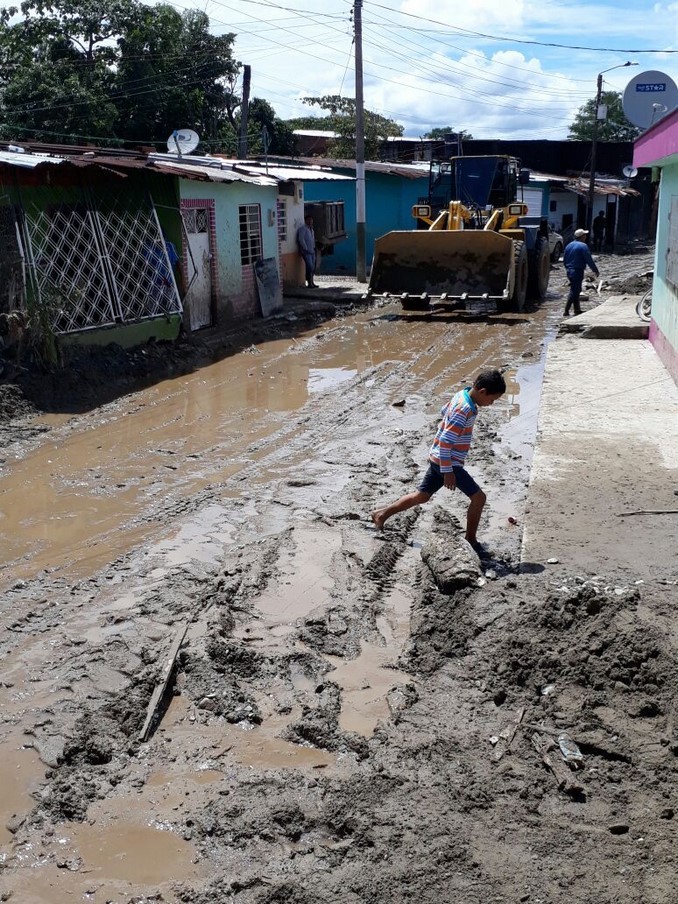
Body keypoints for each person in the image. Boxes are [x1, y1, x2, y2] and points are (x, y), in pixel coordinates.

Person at [371, 369, 506, 552]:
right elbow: (445, 441)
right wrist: (448, 471)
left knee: (422, 496)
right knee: (479, 498)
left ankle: (381, 514)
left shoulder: (462, 394)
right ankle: (471, 540)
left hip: (438, 459)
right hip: (448, 462)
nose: (491, 404)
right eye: (492, 400)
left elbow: (444, 410)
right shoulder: (464, 410)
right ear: (482, 392)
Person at [562, 228, 600, 316]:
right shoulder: (583, 246)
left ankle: (577, 310)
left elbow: (564, 260)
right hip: (577, 271)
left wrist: (567, 268)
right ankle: (566, 311)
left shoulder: (569, 245)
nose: (586, 237)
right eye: (585, 235)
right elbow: (589, 260)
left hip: (569, 270)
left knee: (577, 289)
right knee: (574, 291)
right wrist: (595, 270)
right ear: (582, 236)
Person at [297, 215, 317, 288]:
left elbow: (312, 240)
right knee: (310, 267)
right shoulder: (303, 229)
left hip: (312, 251)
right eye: (309, 220)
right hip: (306, 252)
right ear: (305, 220)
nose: (311, 221)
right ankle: (309, 283)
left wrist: (314, 248)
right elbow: (301, 239)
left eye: (311, 220)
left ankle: (312, 282)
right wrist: (305, 248)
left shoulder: (311, 230)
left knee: (312, 267)